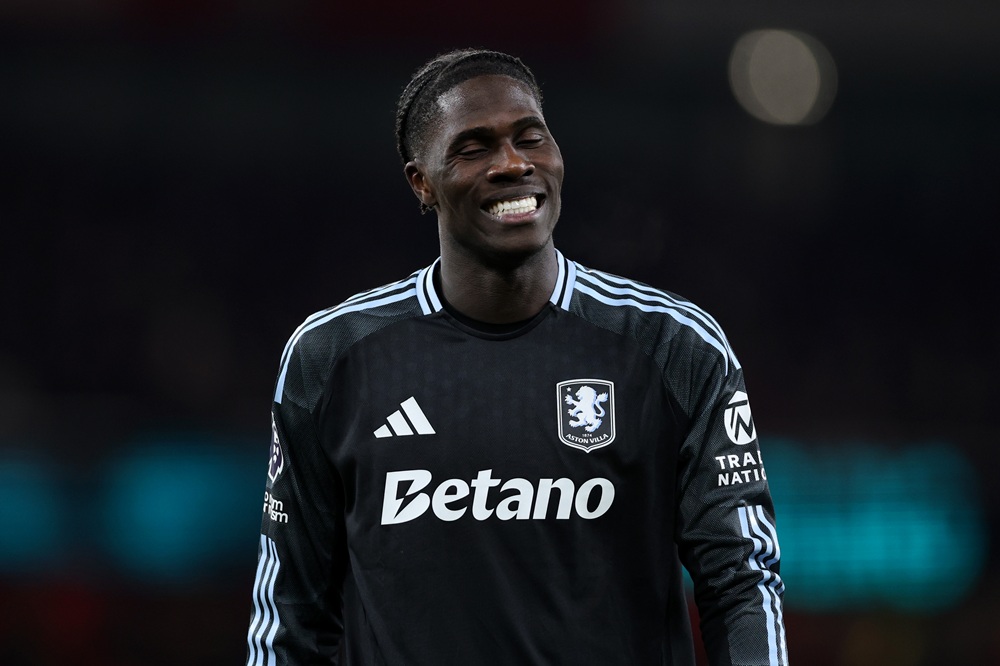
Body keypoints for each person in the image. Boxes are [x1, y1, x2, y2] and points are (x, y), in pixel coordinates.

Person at [245, 48, 787, 666]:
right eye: (473, 148)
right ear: (421, 181)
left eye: (530, 136)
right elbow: (289, 612)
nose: (513, 164)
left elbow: (741, 580)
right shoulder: (334, 356)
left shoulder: (672, 346)